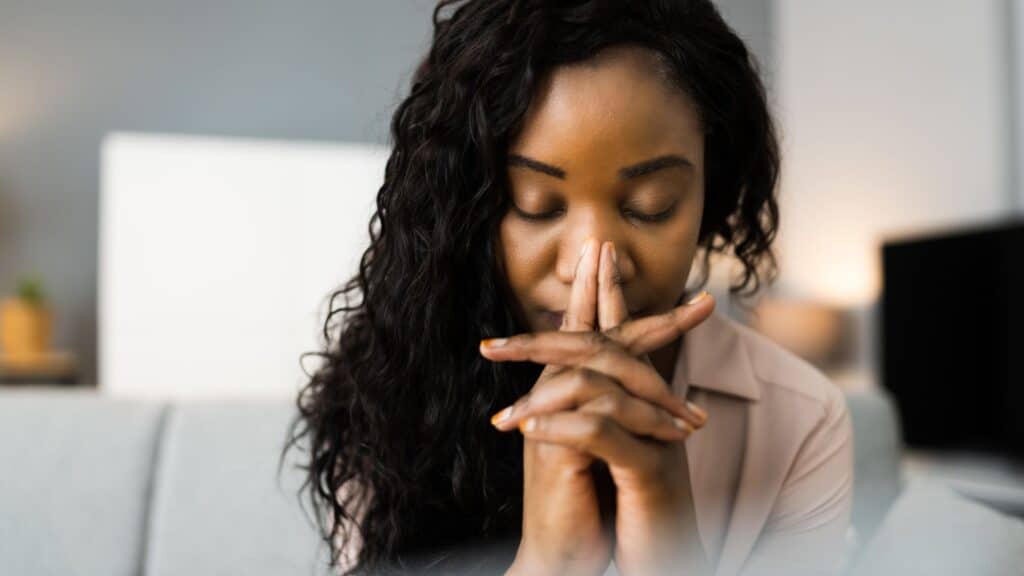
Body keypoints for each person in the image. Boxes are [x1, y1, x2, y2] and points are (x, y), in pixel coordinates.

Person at [285, 1, 854, 574]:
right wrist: (548, 562)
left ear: (710, 196)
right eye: (535, 206)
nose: (593, 265)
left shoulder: (801, 421)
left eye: (649, 207)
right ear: (468, 212)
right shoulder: (390, 388)